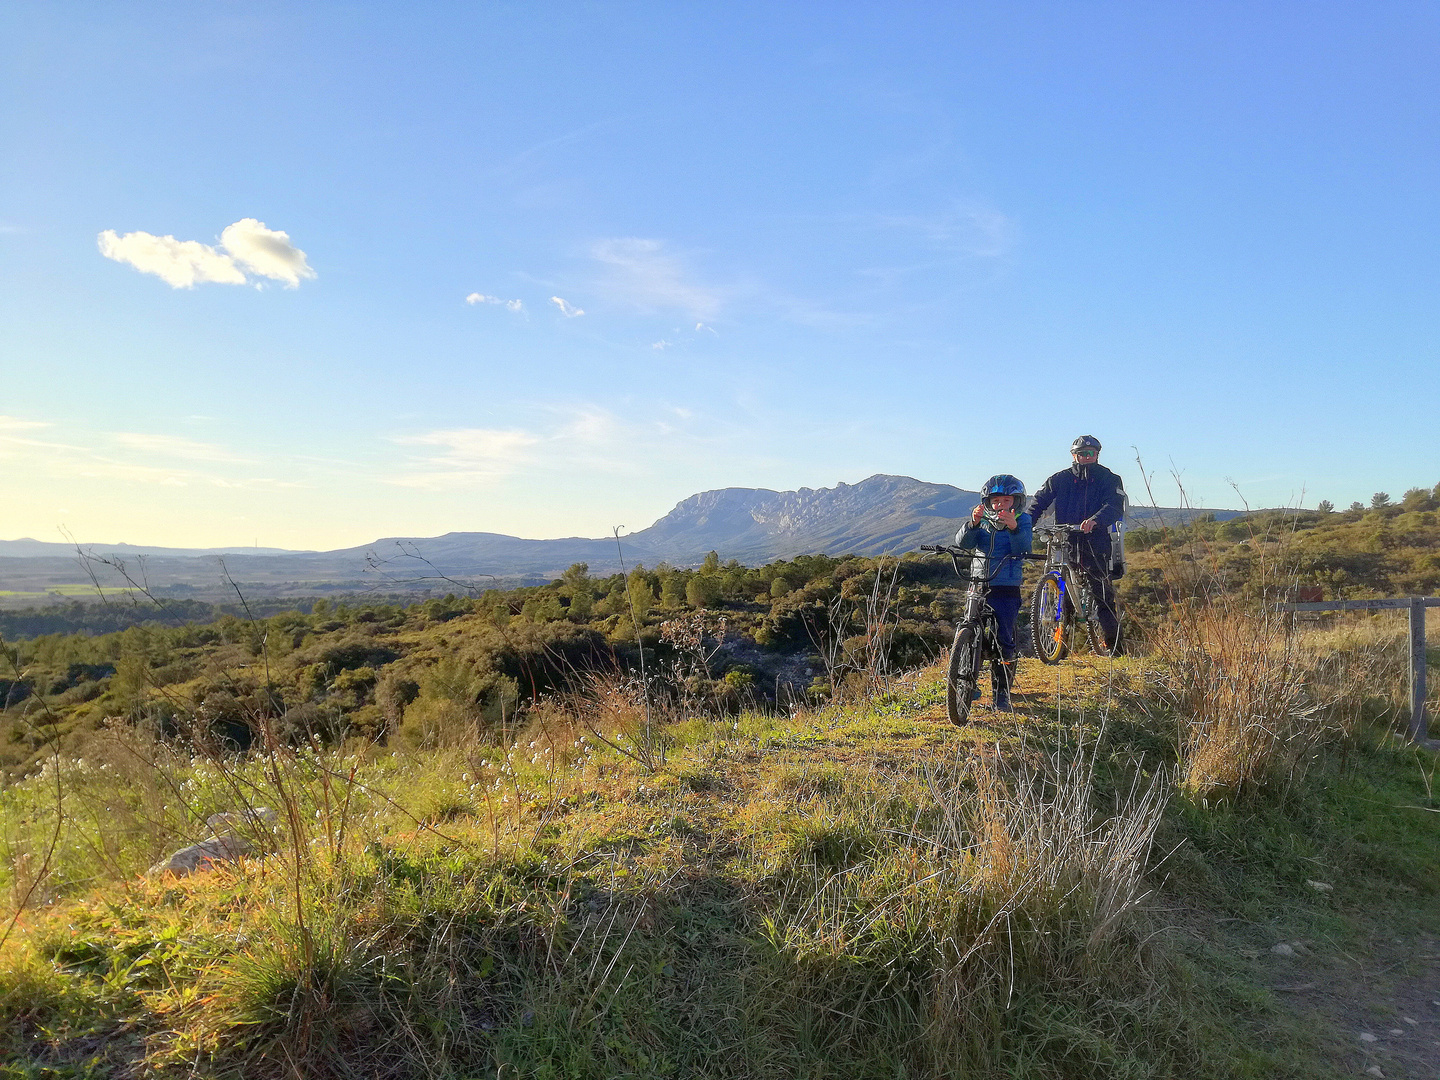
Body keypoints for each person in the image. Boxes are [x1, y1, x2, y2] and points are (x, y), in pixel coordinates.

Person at [1026, 435, 1124, 650]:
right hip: (1066, 538)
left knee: (1102, 593)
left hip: (1095, 540)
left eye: (1090, 453)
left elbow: (1115, 505)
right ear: (1074, 456)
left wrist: (1096, 520)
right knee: (1064, 586)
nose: (1086, 457)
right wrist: (1026, 524)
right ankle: (1059, 647)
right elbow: (1039, 502)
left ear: (1097, 454)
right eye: (1081, 453)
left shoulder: (1109, 479)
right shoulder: (1059, 479)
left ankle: (1114, 646)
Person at [955, 474, 1032, 711]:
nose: (1000, 505)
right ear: (987, 502)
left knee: (1003, 639)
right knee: (970, 626)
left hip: (1006, 585)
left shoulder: (1024, 520)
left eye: (1006, 500)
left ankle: (1002, 692)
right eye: (995, 500)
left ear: (1015, 502)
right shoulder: (983, 522)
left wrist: (1014, 528)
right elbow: (963, 544)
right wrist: (972, 524)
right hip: (978, 582)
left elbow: (1023, 548)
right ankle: (968, 679)